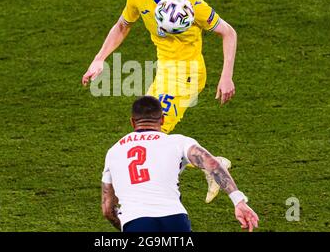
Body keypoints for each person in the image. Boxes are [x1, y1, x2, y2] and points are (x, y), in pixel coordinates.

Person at [82, 0, 237, 203]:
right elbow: (122, 26)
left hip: (187, 74)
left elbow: (228, 32)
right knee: (149, 135)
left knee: (152, 135)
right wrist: (99, 59)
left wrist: (226, 76)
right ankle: (212, 164)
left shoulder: (190, 2)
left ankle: (157, 192)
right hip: (164, 70)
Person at [101, 96, 259, 232]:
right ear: (162, 119)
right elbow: (213, 163)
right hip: (175, 219)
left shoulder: (113, 151)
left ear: (132, 122)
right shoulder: (178, 141)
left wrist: (126, 225)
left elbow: (108, 209)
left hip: (136, 221)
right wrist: (238, 200)